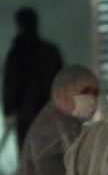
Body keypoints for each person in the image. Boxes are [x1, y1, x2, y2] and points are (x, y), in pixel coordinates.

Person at [3, 8, 64, 149]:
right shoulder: (51, 52)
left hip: (25, 116)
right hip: (49, 114)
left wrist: (8, 109)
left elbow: (12, 84)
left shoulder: (17, 54)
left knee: (27, 156)